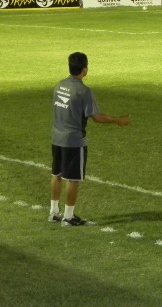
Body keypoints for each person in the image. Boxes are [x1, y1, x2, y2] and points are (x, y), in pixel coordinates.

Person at [50, 52, 131, 226]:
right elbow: (97, 117)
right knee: (73, 179)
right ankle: (69, 217)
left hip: (56, 137)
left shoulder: (59, 85)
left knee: (56, 174)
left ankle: (54, 212)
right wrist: (118, 120)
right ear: (85, 69)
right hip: (73, 141)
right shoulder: (83, 91)